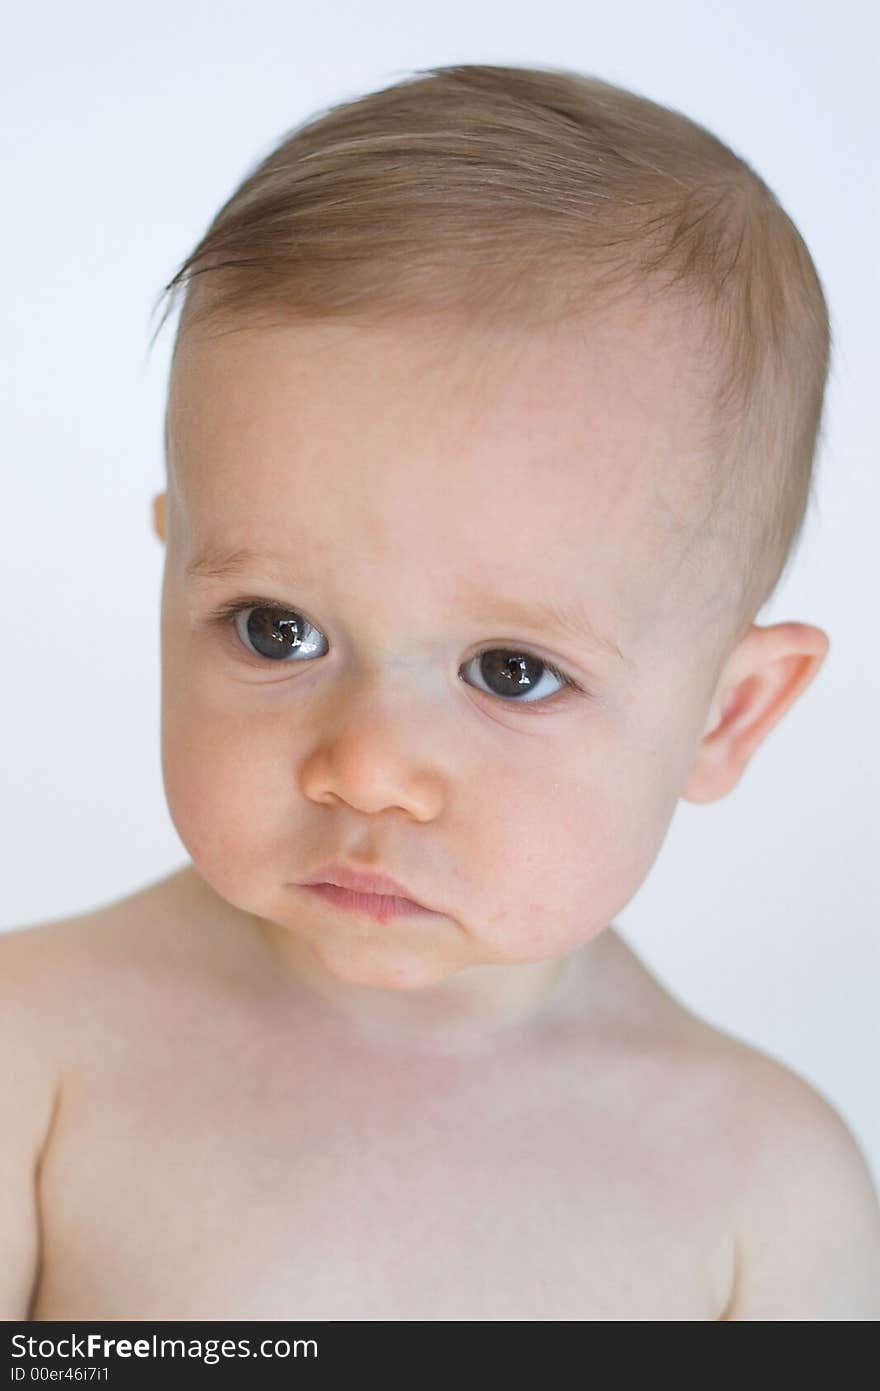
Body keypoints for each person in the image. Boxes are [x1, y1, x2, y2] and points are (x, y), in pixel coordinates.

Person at [3, 63, 878, 1322]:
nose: (364, 763)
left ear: (727, 712)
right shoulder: (37, 1055)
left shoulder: (765, 1191)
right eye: (276, 627)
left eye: (510, 671)